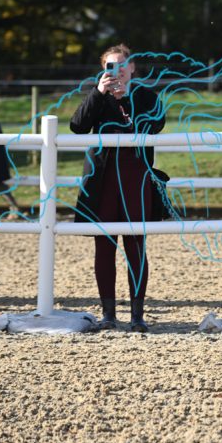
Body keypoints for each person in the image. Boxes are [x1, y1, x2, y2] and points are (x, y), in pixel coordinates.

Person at [70, 44, 165, 332]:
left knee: (136, 247)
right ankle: (108, 313)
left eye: (122, 64)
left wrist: (127, 101)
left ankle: (137, 315)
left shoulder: (146, 96)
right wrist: (98, 94)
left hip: (136, 178)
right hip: (103, 179)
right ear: (103, 70)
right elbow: (77, 126)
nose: (118, 70)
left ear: (132, 67)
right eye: (111, 66)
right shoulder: (97, 96)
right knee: (104, 246)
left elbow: (156, 124)